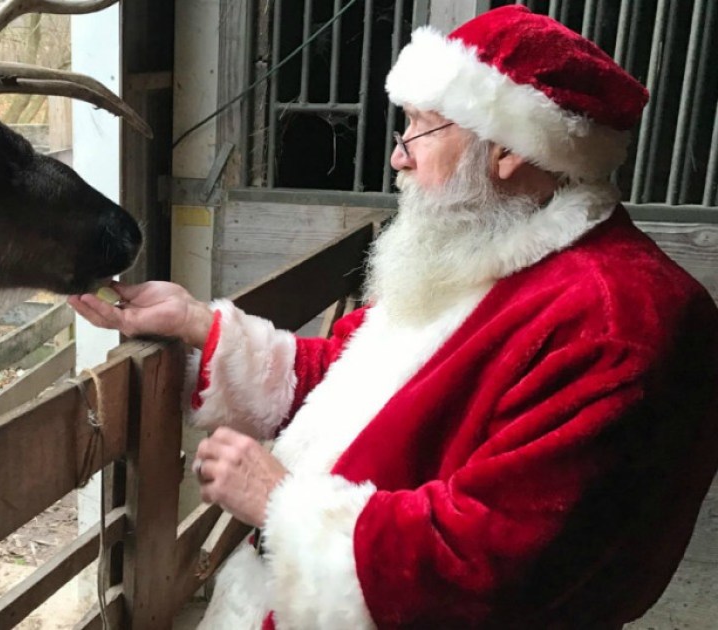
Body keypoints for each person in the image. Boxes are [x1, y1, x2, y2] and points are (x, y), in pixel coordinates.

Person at [68, 6, 718, 629]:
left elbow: (503, 566)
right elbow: (355, 374)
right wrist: (194, 324)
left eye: (419, 126)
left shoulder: (620, 322)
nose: (399, 154)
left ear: (507, 151)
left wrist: (283, 505)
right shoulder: (500, 244)